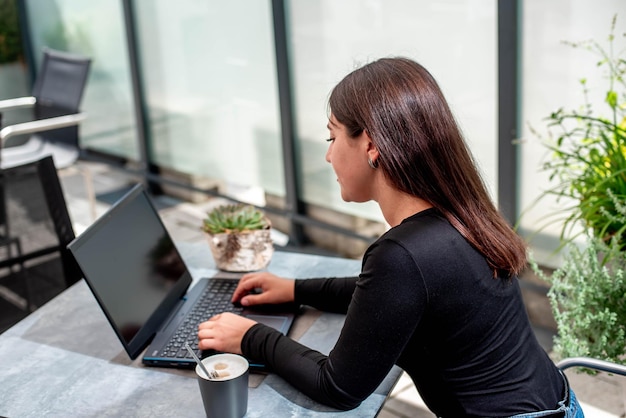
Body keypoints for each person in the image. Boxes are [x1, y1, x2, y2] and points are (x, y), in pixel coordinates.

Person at [197, 57, 585, 417]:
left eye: (332, 138)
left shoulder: (403, 255)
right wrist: (296, 290)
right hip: (560, 404)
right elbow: (389, 297)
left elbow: (338, 387)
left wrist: (251, 337)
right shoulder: (463, 214)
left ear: (370, 144)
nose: (328, 156)